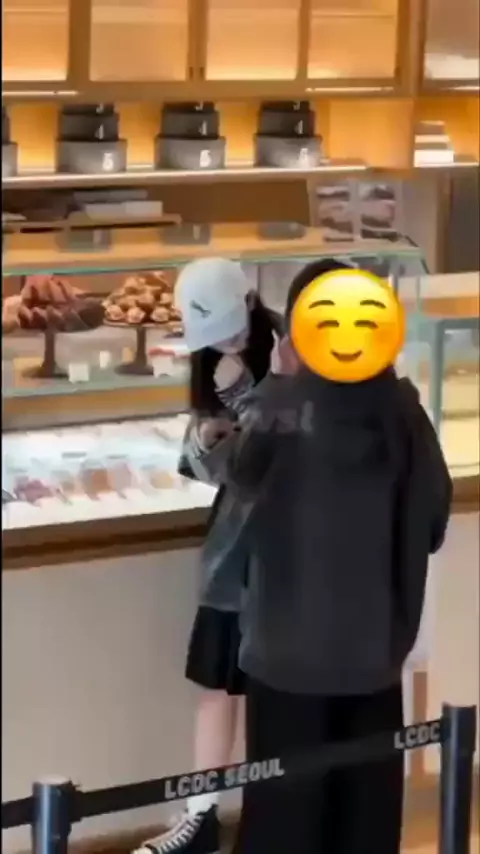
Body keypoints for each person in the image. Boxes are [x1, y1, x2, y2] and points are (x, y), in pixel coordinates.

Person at [203, 259, 452, 854]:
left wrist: (273, 382)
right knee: (364, 825)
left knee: (285, 825)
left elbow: (235, 482)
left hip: (285, 661)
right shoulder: (403, 411)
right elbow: (433, 520)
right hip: (374, 659)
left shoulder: (280, 410)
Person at [135, 257, 283, 854]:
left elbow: (284, 450)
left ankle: (270, 817)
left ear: (249, 304)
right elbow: (213, 466)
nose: (223, 344)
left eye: (229, 330)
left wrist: (245, 396)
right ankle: (200, 817)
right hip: (233, 554)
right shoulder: (210, 363)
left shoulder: (290, 350)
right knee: (216, 686)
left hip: (284, 553)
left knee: (272, 694)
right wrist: (205, 440)